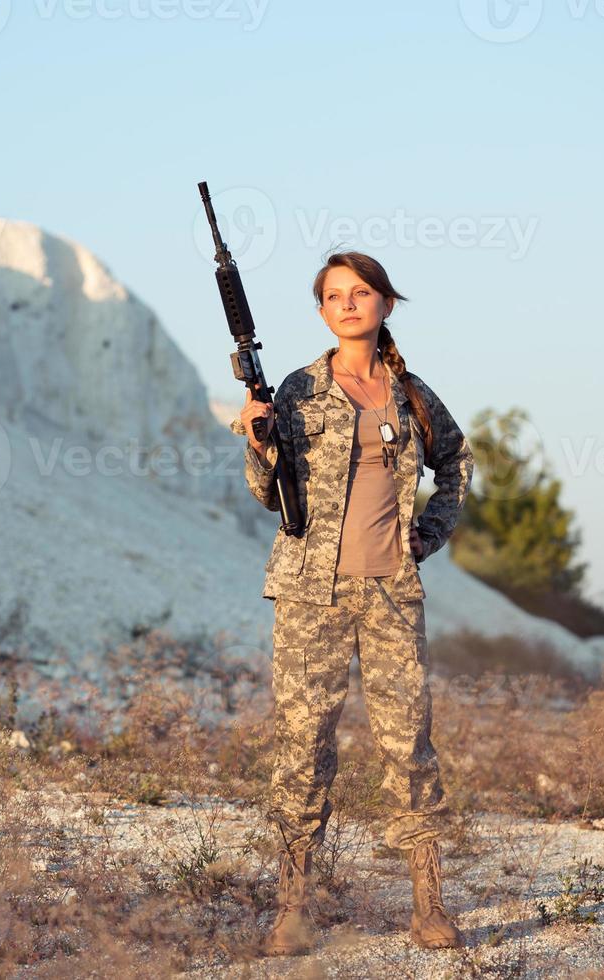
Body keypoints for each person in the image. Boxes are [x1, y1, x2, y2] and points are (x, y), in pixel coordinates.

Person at [229, 250, 476, 955]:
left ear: (384, 305)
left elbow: (454, 459)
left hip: (392, 592)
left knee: (409, 746)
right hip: (311, 594)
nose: (348, 304)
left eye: (360, 292)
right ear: (321, 311)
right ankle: (292, 909)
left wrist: (429, 532)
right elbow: (263, 489)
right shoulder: (297, 390)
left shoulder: (411, 394)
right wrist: (256, 439)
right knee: (304, 744)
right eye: (334, 295)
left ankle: (429, 907)